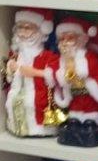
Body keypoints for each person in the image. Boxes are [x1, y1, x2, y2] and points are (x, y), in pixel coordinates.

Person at [53, 17, 98, 147]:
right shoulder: (61, 59)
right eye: (62, 39)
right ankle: (75, 120)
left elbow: (89, 72)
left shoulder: (88, 57)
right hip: (74, 95)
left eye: (70, 38)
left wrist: (72, 64)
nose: (65, 43)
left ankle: (92, 121)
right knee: (74, 114)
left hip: (89, 93)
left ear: (81, 39)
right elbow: (59, 76)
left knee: (90, 111)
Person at [3, 9, 58, 137]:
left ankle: (38, 130)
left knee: (31, 104)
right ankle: (18, 127)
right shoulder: (16, 55)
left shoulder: (47, 56)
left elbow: (54, 76)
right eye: (20, 28)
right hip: (18, 92)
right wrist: (10, 68)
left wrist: (34, 72)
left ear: (41, 31)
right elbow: (9, 78)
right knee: (12, 102)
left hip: (39, 96)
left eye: (27, 28)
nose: (22, 33)